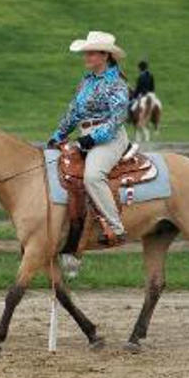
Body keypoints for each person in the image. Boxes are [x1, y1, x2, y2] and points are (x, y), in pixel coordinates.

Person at [48, 31, 129, 245]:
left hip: (110, 139)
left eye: (91, 54)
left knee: (93, 175)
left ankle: (116, 227)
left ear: (105, 56)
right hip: (85, 137)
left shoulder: (117, 83)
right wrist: (57, 136)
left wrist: (90, 140)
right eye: (86, 54)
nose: (86, 58)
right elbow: (73, 113)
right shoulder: (86, 81)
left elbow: (117, 118)